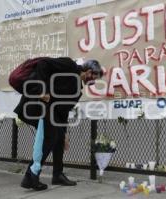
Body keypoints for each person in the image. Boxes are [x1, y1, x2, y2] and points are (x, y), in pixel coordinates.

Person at [14, 57, 103, 191]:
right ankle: (30, 177)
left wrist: (65, 133)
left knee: (59, 136)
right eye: (94, 77)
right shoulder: (69, 65)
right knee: (50, 137)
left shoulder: (76, 91)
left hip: (49, 110)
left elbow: (62, 113)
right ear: (89, 71)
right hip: (35, 102)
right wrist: (42, 90)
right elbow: (43, 64)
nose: (93, 81)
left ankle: (57, 175)